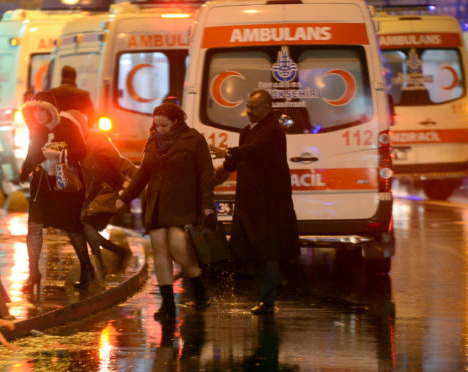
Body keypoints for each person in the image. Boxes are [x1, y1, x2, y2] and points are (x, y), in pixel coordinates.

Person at [116, 102, 216, 321]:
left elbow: (206, 173)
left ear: (176, 122)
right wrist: (125, 198)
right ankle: (168, 305)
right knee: (160, 250)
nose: (158, 128)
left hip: (183, 202)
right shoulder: (152, 141)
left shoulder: (194, 140)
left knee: (179, 249)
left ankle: (199, 288)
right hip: (157, 203)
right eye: (156, 124)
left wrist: (207, 203)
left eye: (163, 125)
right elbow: (143, 173)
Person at [210, 89, 299, 315]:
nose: (248, 110)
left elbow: (254, 150)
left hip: (268, 202)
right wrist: (216, 175)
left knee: (266, 249)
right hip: (249, 201)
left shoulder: (274, 131)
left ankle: (267, 296)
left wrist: (227, 152)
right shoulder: (250, 130)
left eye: (254, 106)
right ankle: (270, 287)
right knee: (245, 249)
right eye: (247, 105)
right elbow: (239, 161)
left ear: (267, 107)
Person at [18, 91, 95, 293]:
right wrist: (23, 172)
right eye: (35, 110)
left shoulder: (67, 126)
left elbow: (83, 151)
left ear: (51, 110)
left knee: (72, 228)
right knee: (34, 227)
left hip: (65, 186)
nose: (38, 115)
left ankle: (86, 268)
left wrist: (60, 154)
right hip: (41, 185)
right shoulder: (35, 130)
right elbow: (31, 152)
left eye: (42, 110)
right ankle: (33, 274)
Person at [61, 109, 136, 275]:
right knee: (82, 229)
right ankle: (119, 252)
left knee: (85, 225)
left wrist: (139, 178)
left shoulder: (96, 139)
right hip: (87, 196)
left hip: (106, 191)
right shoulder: (68, 144)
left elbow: (117, 160)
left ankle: (100, 265)